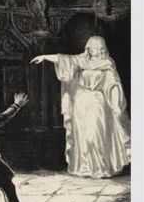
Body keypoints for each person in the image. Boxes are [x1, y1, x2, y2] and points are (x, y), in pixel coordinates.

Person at [30, 36, 131, 178]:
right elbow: (64, 59)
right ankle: (86, 167)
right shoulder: (81, 60)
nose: (95, 50)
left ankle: (101, 168)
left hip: (98, 101)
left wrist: (116, 104)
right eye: (93, 47)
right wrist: (45, 57)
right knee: (81, 136)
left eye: (99, 48)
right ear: (88, 47)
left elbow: (113, 83)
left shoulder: (107, 63)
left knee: (94, 135)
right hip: (80, 101)